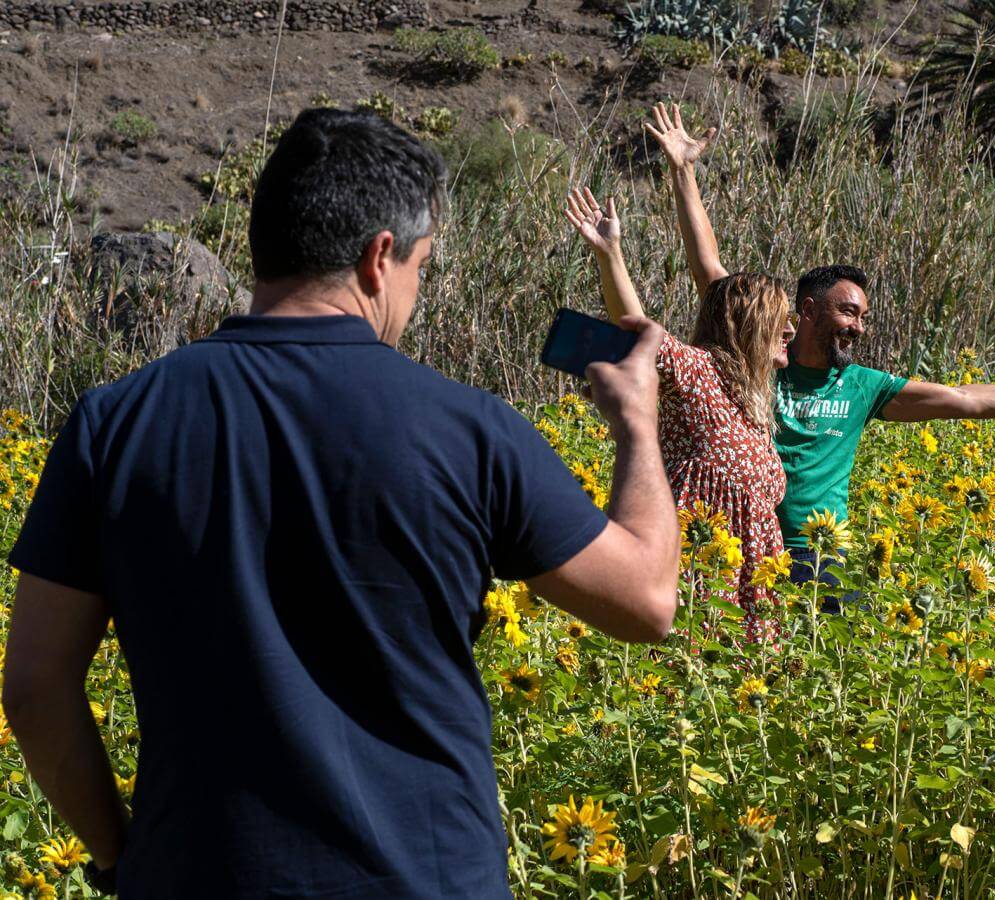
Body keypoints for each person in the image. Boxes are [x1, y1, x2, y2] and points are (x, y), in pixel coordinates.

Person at [2, 108, 680, 899]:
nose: (416, 291)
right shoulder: (466, 429)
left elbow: (35, 686)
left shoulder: (112, 424)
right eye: (422, 267)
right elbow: (648, 602)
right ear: (378, 257)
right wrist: (637, 419)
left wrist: (122, 855)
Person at [643, 102, 995, 605]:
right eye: (848, 312)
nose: (859, 327)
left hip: (820, 557)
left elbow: (963, 398)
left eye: (863, 317)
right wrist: (683, 170)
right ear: (807, 311)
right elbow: (709, 270)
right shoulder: (759, 364)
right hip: (743, 545)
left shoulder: (862, 388)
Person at [564, 186, 795, 643]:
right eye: (779, 319)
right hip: (699, 591)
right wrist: (611, 254)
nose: (790, 329)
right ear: (748, 324)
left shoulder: (754, 402)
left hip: (751, 606)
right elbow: (639, 331)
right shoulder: (697, 372)